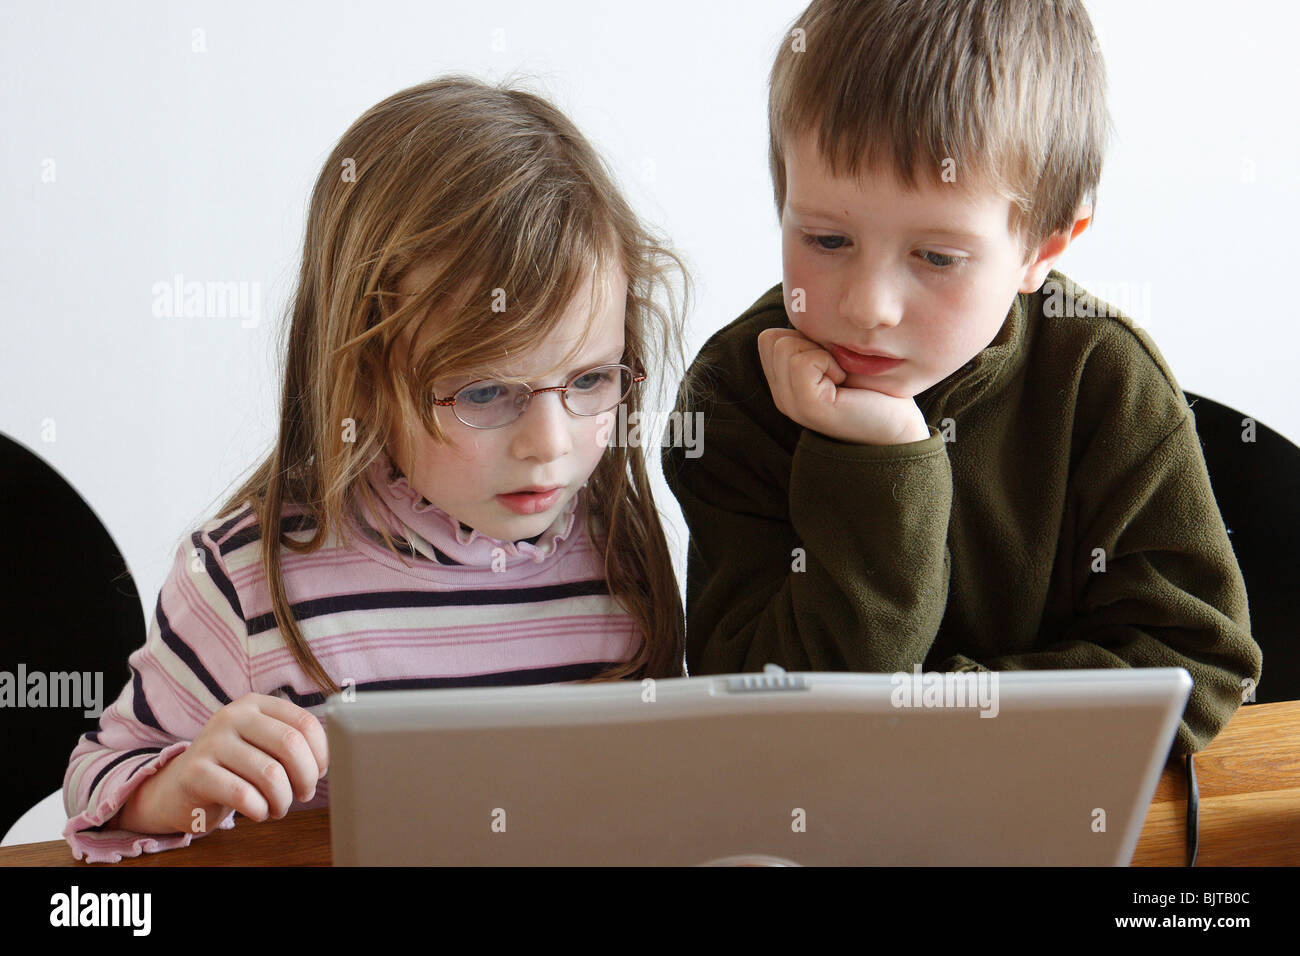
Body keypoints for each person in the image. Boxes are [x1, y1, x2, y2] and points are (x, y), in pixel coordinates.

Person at [63, 75, 688, 862]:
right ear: (360, 373)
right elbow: (93, 786)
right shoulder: (249, 584)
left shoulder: (617, 554)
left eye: (591, 380)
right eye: (486, 390)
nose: (551, 444)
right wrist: (178, 787)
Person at [662, 0, 1261, 757]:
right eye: (827, 238)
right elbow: (765, 723)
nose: (867, 307)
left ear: (1045, 248)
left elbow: (1199, 666)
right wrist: (876, 469)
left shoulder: (1103, 381)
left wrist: (930, 722)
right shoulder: (735, 397)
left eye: (937, 257)